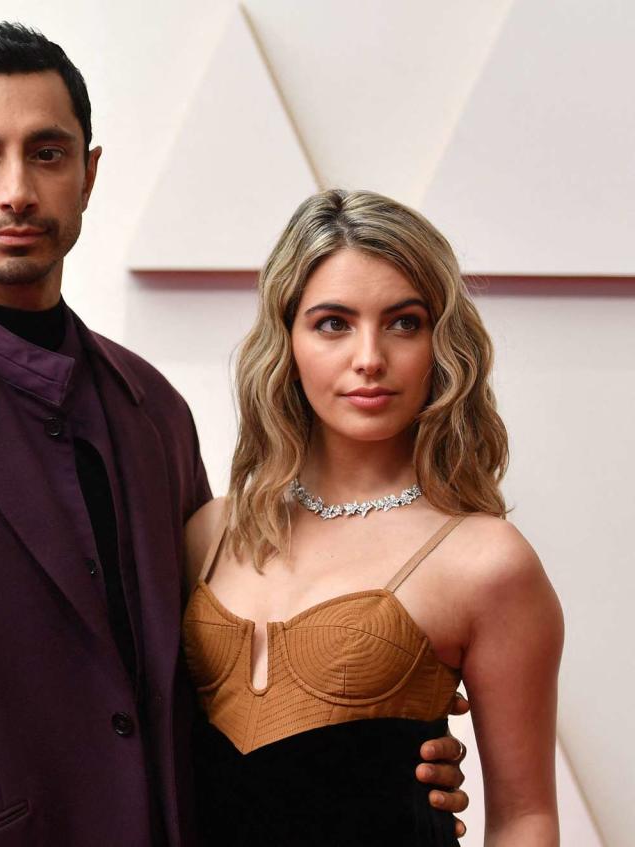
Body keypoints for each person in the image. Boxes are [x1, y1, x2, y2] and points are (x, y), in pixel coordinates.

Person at [0, 25, 470, 847]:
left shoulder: (153, 410)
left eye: (48, 153)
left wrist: (374, 747)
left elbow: (222, 670)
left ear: (90, 174)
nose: (17, 190)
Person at [183, 189, 563, 846]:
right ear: (287, 339)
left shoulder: (487, 560)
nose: (369, 358)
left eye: (403, 322)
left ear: (442, 342)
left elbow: (525, 818)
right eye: (333, 322)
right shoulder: (210, 532)